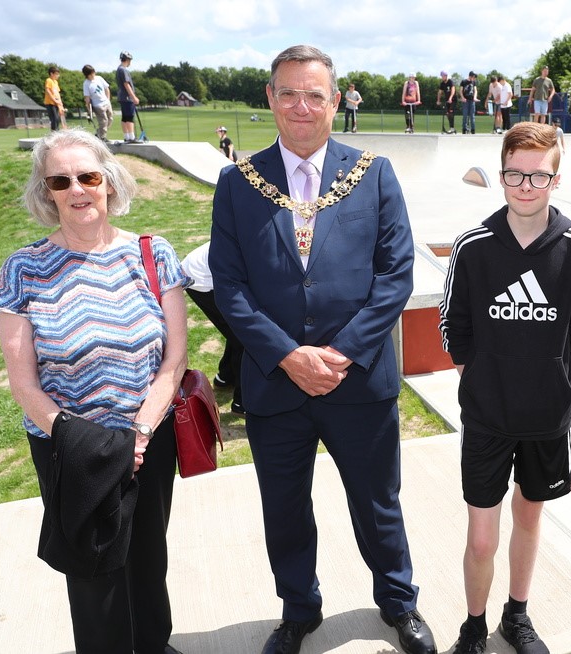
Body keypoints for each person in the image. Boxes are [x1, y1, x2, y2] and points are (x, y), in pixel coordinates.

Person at [209, 44, 437, 654]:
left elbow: (395, 276)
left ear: (336, 102)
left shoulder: (375, 173)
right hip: (274, 383)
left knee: (377, 504)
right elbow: (228, 285)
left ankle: (399, 602)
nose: (301, 106)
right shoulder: (237, 183)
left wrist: (341, 354)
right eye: (288, 93)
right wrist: (287, 355)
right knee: (285, 509)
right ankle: (299, 609)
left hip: (358, 382)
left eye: (315, 94)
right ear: (271, 100)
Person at [0, 128, 189, 654]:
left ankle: (155, 644)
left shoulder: (151, 253)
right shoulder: (22, 270)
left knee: (148, 553)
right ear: (46, 191)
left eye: (88, 176)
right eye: (61, 179)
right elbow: (23, 383)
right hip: (69, 447)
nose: (77, 189)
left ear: (109, 181)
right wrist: (84, 442)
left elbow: (174, 360)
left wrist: (140, 434)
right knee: (94, 570)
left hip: (149, 436)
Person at [440, 121, 571, 654]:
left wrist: (549, 373)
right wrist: (482, 378)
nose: (526, 186)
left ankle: (518, 614)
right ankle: (473, 623)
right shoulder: (474, 246)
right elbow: (453, 326)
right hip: (487, 418)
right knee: (482, 536)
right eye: (516, 174)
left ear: (557, 178)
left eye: (539, 176)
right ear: (501, 173)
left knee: (528, 521)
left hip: (545, 420)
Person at [181, 241, 243, 414]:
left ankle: (225, 377)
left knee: (237, 331)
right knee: (244, 339)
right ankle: (242, 403)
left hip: (204, 272)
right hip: (200, 278)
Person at [82, 64, 114, 141]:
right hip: (98, 105)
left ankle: (98, 134)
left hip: (106, 102)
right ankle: (102, 137)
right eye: (91, 74)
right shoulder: (86, 83)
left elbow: (106, 88)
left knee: (110, 119)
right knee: (103, 121)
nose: (93, 75)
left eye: (93, 73)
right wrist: (89, 110)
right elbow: (87, 97)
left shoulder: (99, 78)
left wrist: (108, 99)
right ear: (87, 75)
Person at [117, 51, 141, 143]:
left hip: (122, 97)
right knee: (130, 117)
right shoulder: (124, 70)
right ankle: (131, 137)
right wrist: (134, 97)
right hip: (127, 97)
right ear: (127, 60)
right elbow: (126, 85)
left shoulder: (119, 69)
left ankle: (127, 136)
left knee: (124, 117)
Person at [43, 66, 66, 131]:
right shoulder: (49, 80)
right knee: (54, 118)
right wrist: (54, 100)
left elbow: (57, 93)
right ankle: (54, 132)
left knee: (58, 118)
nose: (58, 76)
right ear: (51, 74)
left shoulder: (55, 82)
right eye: (56, 74)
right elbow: (48, 91)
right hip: (50, 103)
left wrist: (60, 103)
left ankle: (57, 131)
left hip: (56, 103)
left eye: (58, 74)